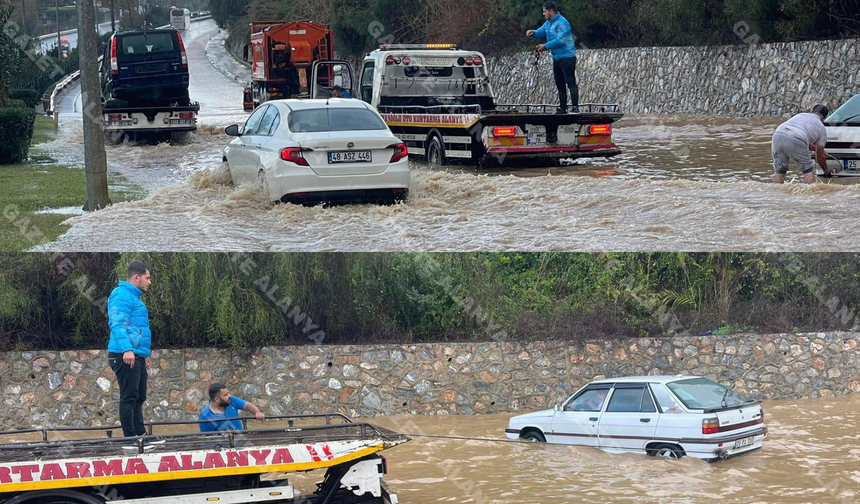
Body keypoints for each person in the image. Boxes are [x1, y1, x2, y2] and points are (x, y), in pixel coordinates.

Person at [107, 260, 155, 443]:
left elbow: (137, 329)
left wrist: (144, 354)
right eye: (147, 278)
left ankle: (140, 435)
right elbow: (118, 324)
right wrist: (127, 349)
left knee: (139, 396)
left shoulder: (132, 298)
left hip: (136, 354)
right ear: (137, 277)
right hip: (124, 354)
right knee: (129, 397)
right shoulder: (121, 295)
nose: (149, 282)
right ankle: (130, 439)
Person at [526, 2, 578, 114]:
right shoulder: (548, 23)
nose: (543, 14)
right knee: (559, 83)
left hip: (567, 57)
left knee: (570, 82)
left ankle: (575, 107)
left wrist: (545, 46)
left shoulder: (563, 23)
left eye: (545, 11)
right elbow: (540, 32)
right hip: (557, 57)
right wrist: (533, 33)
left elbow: (560, 40)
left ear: (551, 11)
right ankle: (563, 107)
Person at [772, 104, 833, 184]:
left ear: (812, 112)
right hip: (796, 138)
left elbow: (802, 142)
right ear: (824, 118)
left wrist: (816, 149)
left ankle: (777, 193)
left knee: (780, 170)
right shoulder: (821, 128)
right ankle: (810, 194)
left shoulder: (800, 115)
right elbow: (820, 157)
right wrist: (826, 170)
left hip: (778, 135)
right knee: (807, 170)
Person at [199, 383, 266, 432]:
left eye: (228, 393)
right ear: (217, 399)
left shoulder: (231, 400)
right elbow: (207, 440)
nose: (229, 396)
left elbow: (247, 405)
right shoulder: (206, 416)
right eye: (226, 395)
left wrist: (257, 412)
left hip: (241, 441)